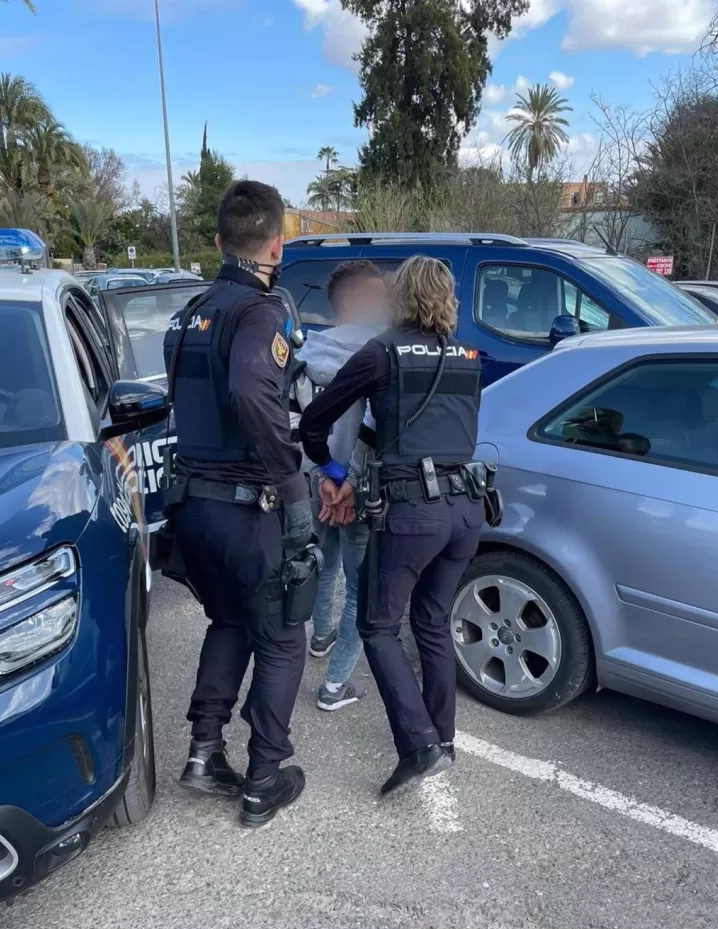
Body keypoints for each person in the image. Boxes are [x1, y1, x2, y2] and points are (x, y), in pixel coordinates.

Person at [299, 256, 484, 796]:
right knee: (431, 621)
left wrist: (335, 471)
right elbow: (432, 435)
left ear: (398, 297)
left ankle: (419, 745)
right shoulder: (470, 355)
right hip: (466, 508)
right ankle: (442, 738)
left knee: (379, 626)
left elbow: (317, 421)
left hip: (412, 513)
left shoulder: (381, 351)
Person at [163, 180, 311, 826]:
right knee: (283, 637)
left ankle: (204, 752)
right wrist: (293, 482)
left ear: (220, 242)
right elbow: (253, 392)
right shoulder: (261, 312)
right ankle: (263, 778)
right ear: (276, 245)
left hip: (192, 506)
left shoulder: (189, 313)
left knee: (229, 621)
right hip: (247, 508)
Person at [295, 260, 388, 711]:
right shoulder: (380, 354)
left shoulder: (304, 356)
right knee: (360, 588)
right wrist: (347, 480)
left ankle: (320, 638)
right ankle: (335, 686)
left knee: (324, 560)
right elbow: (377, 426)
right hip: (360, 486)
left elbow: (295, 425)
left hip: (316, 480)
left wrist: (325, 477)